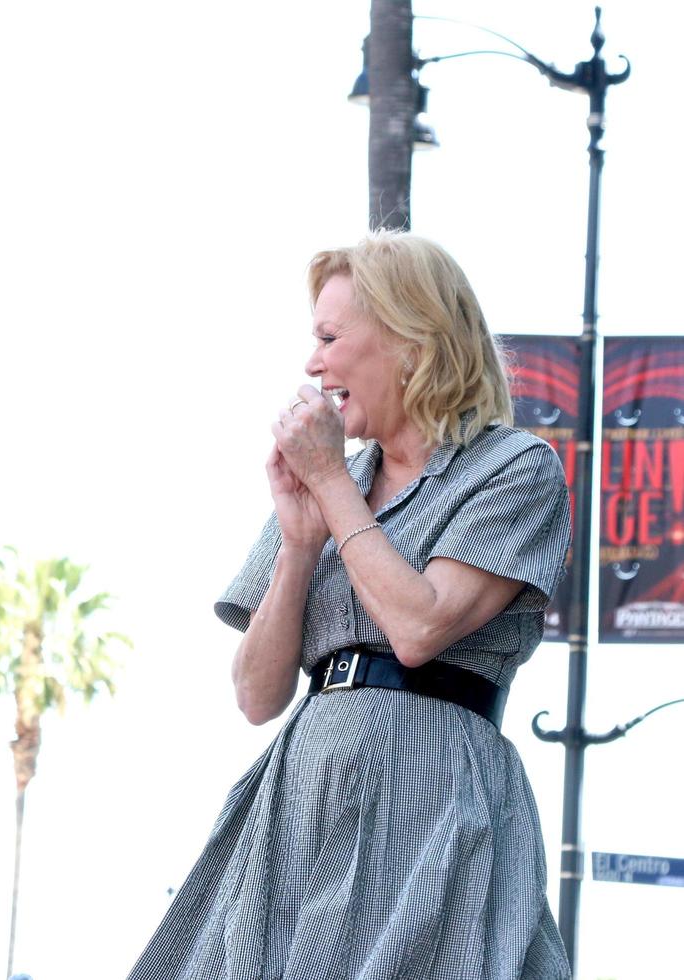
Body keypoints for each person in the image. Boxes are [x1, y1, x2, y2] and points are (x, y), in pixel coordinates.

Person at [130, 231, 570, 980]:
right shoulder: (330, 477)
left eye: (331, 337)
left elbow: (420, 627)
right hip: (302, 788)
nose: (312, 363)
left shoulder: (514, 467)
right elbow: (257, 695)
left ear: (410, 338)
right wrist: (300, 543)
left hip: (431, 789)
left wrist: (332, 488)